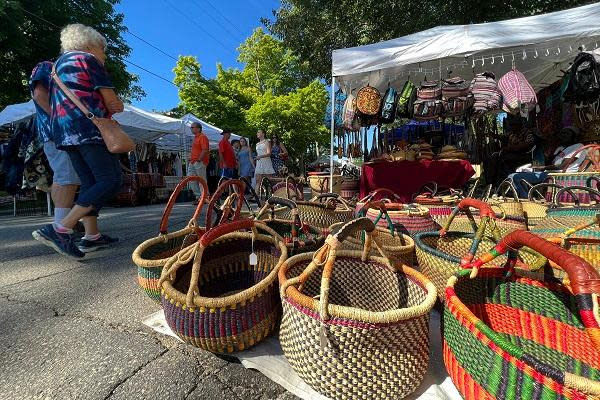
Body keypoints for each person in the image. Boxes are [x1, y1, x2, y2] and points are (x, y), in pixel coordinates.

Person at [32, 24, 123, 258]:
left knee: (91, 184)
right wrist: (116, 105)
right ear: (90, 44)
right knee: (110, 180)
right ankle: (60, 228)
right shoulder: (88, 59)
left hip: (64, 134)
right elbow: (112, 103)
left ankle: (91, 236)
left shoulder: (55, 69)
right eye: (103, 49)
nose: (104, 54)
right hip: (88, 131)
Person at [29, 60, 82, 229]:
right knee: (66, 177)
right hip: (57, 133)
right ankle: (60, 227)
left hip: (59, 133)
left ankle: (66, 223)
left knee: (68, 177)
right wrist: (60, 121)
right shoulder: (48, 66)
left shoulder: (57, 68)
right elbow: (38, 94)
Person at [484, 117, 535, 188]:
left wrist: (512, 148)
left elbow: (528, 144)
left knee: (502, 159)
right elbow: (503, 137)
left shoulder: (527, 132)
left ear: (519, 125)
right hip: (511, 154)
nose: (512, 127)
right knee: (493, 158)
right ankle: (492, 182)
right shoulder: (512, 133)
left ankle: (505, 180)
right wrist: (493, 135)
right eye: (511, 125)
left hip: (522, 155)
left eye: (513, 125)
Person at [188, 122, 210, 204]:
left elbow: (205, 150)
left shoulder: (203, 137)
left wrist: (199, 159)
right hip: (193, 162)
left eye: (192, 127)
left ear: (198, 128)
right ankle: (199, 197)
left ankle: (205, 197)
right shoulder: (196, 138)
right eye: (191, 127)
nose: (191, 128)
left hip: (199, 162)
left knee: (202, 180)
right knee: (190, 179)